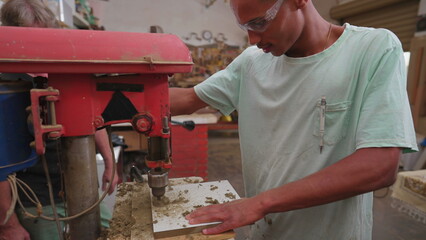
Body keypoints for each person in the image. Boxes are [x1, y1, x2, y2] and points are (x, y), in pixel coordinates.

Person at [170, 0, 418, 239]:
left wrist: (259, 204)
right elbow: (189, 99)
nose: (253, 40)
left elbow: (380, 166)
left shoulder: (372, 49)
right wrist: (136, 96)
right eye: (245, 27)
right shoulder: (251, 63)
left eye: (259, 23)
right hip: (265, 233)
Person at [0, 1, 118, 239]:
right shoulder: (6, 81)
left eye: (44, 37)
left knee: (114, 231)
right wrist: (8, 223)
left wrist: (109, 162)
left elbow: (89, 116)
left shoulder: (60, 66)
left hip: (78, 187)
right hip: (31, 198)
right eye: (30, 38)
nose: (38, 47)